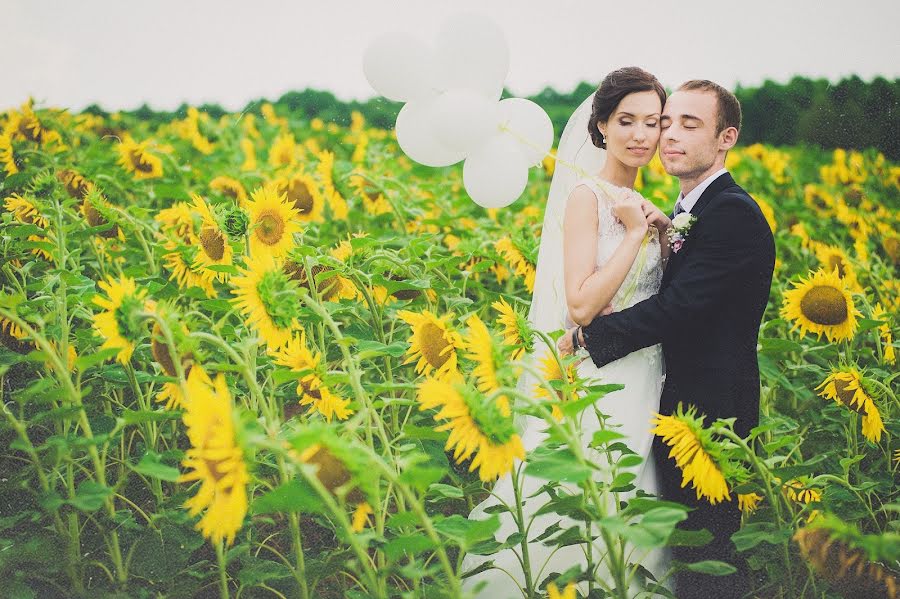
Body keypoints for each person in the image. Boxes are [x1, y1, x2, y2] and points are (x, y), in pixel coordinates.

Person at [559, 80, 776, 598]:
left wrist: (590, 338)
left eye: (689, 125)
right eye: (667, 122)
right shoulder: (680, 210)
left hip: (710, 416)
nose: (668, 137)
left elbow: (680, 309)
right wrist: (657, 234)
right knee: (670, 551)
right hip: (666, 402)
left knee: (706, 558)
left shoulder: (731, 213)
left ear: (727, 138)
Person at [463, 66, 674, 598]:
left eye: (652, 123)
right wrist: (632, 236)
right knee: (579, 495)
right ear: (601, 125)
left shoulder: (648, 207)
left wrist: (661, 237)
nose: (640, 135)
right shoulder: (587, 198)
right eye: (627, 120)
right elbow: (580, 304)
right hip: (596, 378)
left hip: (646, 373)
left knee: (632, 499)